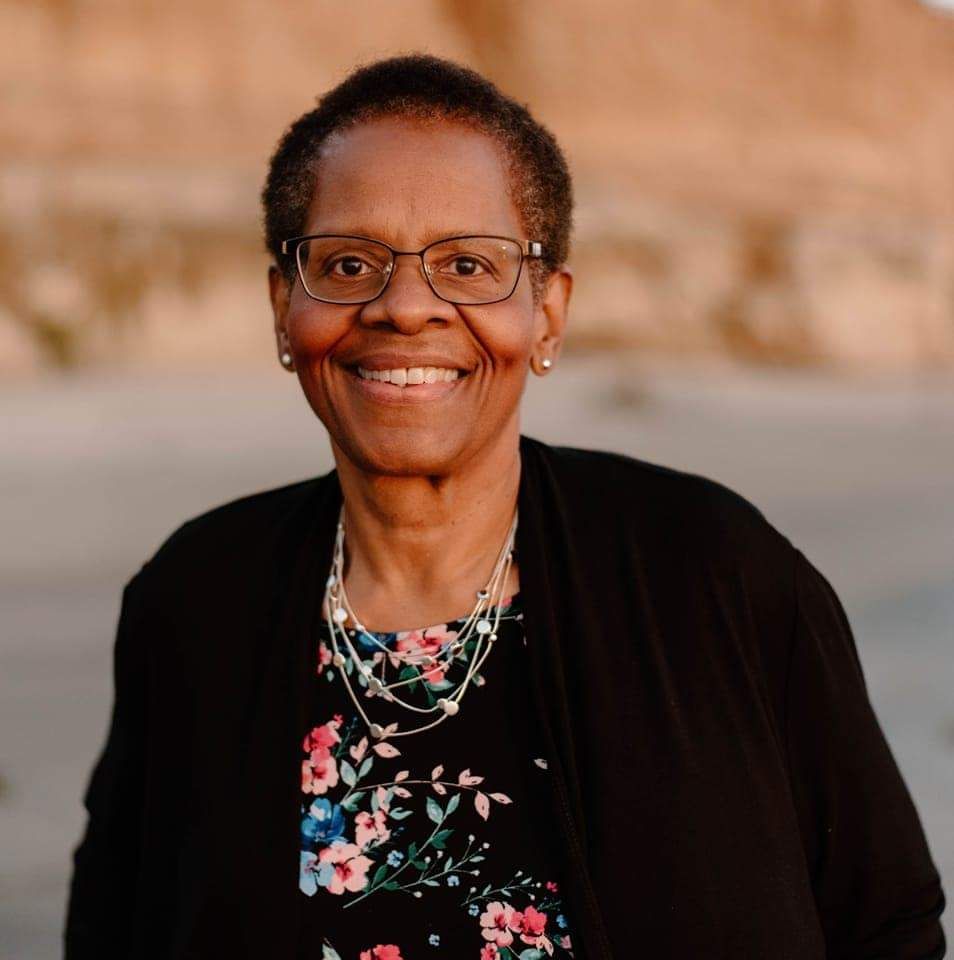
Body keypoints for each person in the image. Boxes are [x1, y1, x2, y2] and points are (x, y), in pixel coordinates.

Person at [64, 54, 946, 960]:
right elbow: (111, 927)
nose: (405, 307)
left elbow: (889, 924)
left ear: (549, 313)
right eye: (349, 262)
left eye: (468, 264)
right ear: (284, 307)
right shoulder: (194, 598)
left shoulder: (718, 573)